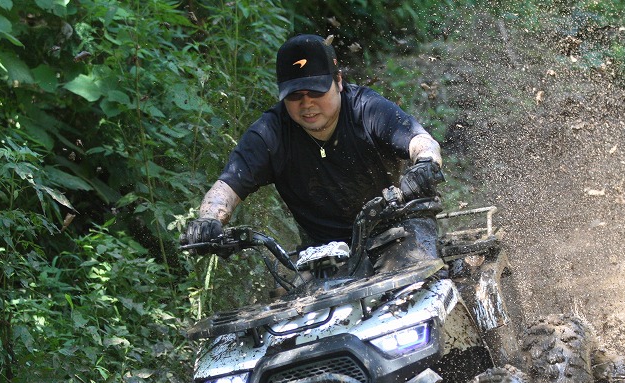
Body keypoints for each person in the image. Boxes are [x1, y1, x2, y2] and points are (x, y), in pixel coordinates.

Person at [180, 34, 445, 271]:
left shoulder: (367, 109)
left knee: (414, 284)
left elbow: (421, 141)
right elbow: (227, 186)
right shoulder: (270, 133)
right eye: (295, 95)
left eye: (316, 91)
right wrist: (208, 221)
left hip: (398, 229)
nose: (306, 103)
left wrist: (425, 164)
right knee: (293, 307)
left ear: (338, 81)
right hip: (323, 253)